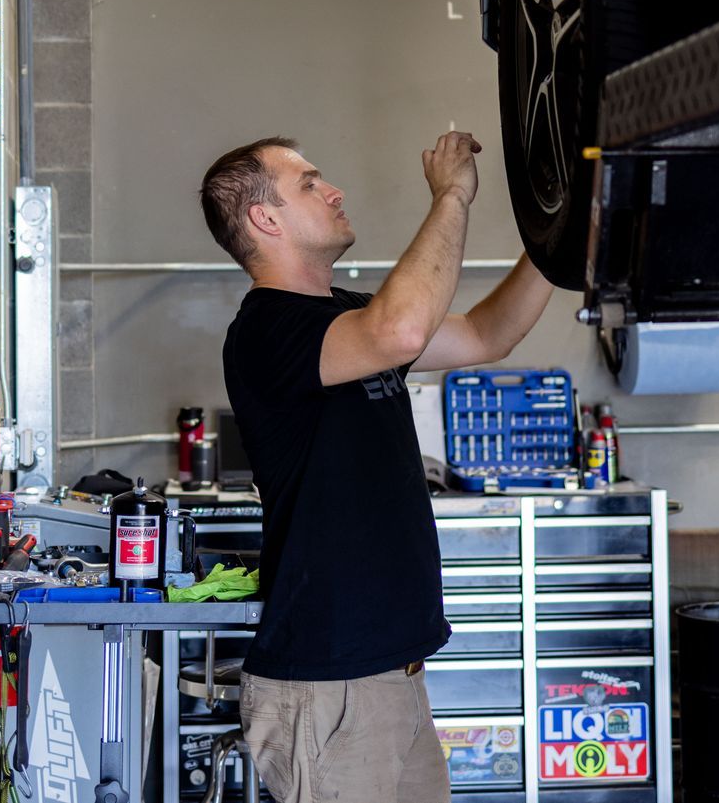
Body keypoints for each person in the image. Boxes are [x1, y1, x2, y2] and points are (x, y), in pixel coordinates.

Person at [197, 131, 554, 803]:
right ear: (264, 219)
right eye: (308, 183)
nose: (332, 190)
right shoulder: (266, 329)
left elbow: (485, 333)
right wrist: (452, 193)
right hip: (329, 688)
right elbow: (403, 330)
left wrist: (558, 240)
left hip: (393, 679)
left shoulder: (350, 313)